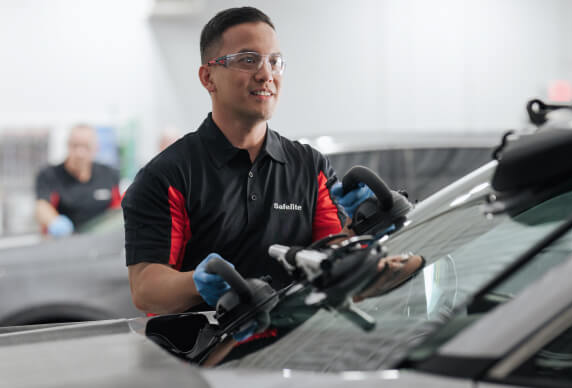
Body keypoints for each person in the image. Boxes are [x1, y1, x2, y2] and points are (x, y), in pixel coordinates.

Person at [122, 7, 395, 336]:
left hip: (295, 351)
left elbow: (331, 256)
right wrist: (195, 284)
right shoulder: (168, 175)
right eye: (248, 59)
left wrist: (360, 229)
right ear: (208, 77)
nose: (267, 74)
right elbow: (146, 287)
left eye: (274, 61)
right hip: (207, 360)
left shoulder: (309, 166)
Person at [35, 124, 122, 237]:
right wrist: (54, 222)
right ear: (67, 145)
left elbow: (118, 208)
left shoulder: (109, 174)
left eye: (86, 147)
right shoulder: (49, 175)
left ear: (96, 148)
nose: (80, 153)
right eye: (75, 146)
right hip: (63, 244)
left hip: (101, 243)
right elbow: (42, 206)